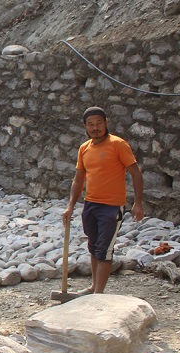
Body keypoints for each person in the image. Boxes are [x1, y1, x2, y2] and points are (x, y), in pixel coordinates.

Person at [61, 106, 144, 295]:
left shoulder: (118, 144)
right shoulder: (84, 148)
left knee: (104, 250)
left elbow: (136, 174)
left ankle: (98, 295)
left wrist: (137, 203)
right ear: (85, 126)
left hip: (112, 207)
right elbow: (78, 179)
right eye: (90, 124)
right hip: (91, 204)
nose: (95, 127)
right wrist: (70, 207)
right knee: (93, 245)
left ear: (106, 123)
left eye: (99, 123)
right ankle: (93, 287)